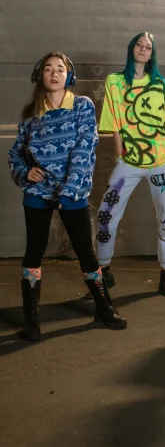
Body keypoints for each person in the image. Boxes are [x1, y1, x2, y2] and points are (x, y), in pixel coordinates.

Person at [8, 52, 126, 341]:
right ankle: (31, 320)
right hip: (38, 193)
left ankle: (104, 308)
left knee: (85, 252)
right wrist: (25, 173)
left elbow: (85, 150)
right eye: (48, 69)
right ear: (40, 76)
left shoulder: (82, 106)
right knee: (34, 253)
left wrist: (71, 190)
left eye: (60, 69)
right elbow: (16, 155)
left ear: (68, 76)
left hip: (72, 191)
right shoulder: (29, 115)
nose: (54, 73)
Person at [94, 32, 165, 298]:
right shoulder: (115, 82)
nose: (143, 49)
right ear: (131, 48)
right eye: (139, 44)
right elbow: (114, 125)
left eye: (148, 47)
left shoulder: (162, 84)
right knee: (105, 215)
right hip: (129, 162)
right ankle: (102, 275)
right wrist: (120, 155)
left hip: (163, 162)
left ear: (152, 53)